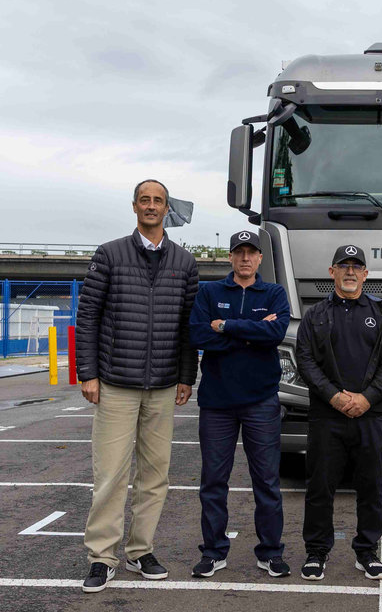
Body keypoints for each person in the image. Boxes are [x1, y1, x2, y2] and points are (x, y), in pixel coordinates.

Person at [76, 179, 198, 593]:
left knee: (155, 475)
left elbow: (187, 326)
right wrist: (87, 373)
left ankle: (140, 549)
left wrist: (187, 375)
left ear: (167, 209)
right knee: (109, 473)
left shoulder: (185, 262)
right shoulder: (109, 254)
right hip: (115, 384)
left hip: (163, 385)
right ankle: (101, 556)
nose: (151, 206)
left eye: (157, 201)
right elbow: (88, 316)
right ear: (134, 207)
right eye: (144, 200)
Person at [295, 245, 382, 581]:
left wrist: (367, 398)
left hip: (371, 415)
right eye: (344, 266)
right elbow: (306, 360)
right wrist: (335, 397)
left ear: (366, 275)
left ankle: (367, 551)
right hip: (328, 416)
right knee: (320, 486)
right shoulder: (315, 315)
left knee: (371, 485)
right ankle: (316, 552)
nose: (350, 272)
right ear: (332, 273)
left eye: (357, 267)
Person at [188, 231, 291, 579]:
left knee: (266, 481)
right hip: (217, 403)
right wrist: (250, 333)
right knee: (214, 481)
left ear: (260, 258)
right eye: (239, 252)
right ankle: (214, 552)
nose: (245, 258)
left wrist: (227, 326)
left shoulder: (274, 293)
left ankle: (270, 552)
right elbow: (198, 335)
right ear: (230, 257)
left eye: (251, 252)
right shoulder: (209, 292)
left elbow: (275, 336)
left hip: (261, 400)